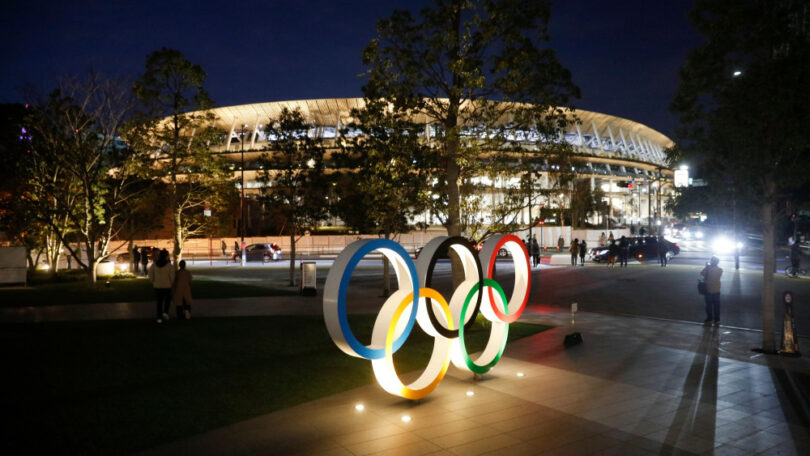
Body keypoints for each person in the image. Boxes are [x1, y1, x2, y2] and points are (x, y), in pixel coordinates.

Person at [149, 249, 175, 323]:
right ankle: (165, 313)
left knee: (159, 302)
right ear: (166, 256)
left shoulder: (154, 265)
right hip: (167, 286)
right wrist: (171, 283)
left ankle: (159, 317)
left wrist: (153, 281)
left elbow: (150, 275)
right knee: (167, 301)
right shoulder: (169, 266)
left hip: (157, 286)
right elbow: (172, 277)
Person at [700, 256, 723, 325]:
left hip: (708, 289)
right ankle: (717, 319)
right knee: (717, 305)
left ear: (712, 262)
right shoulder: (720, 269)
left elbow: (702, 273)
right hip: (717, 289)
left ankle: (709, 319)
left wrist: (707, 267)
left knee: (709, 305)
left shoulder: (708, 269)